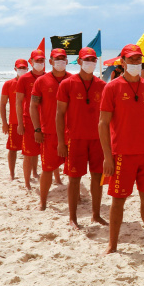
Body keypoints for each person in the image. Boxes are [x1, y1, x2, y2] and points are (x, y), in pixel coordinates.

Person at [99, 44, 144, 255]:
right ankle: (112, 244)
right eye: (132, 60)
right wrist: (107, 157)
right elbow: (103, 123)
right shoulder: (112, 88)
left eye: (138, 60)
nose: (136, 63)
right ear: (123, 62)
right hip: (122, 154)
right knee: (118, 199)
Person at [55, 47, 106, 228]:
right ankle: (73, 218)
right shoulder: (67, 84)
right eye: (87, 59)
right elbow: (59, 114)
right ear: (79, 61)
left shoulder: (102, 85)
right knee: (74, 178)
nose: (90, 63)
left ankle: (96, 214)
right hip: (75, 138)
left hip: (97, 140)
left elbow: (108, 117)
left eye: (93, 60)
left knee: (97, 177)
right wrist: (61, 141)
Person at [30, 48, 71, 210]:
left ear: (67, 61)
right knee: (47, 169)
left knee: (74, 171)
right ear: (51, 61)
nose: (60, 61)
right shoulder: (41, 81)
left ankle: (76, 197)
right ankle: (43, 200)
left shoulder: (73, 80)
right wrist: (37, 129)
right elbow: (33, 106)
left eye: (63, 58)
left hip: (70, 133)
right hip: (49, 132)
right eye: (57, 58)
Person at [15, 50, 46, 190]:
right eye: (37, 61)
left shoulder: (48, 77)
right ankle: (27, 183)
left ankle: (55, 180)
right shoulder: (24, 79)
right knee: (29, 154)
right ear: (31, 62)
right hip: (29, 122)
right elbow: (18, 102)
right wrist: (20, 123)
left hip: (47, 121)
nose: (39, 63)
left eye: (41, 60)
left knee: (48, 153)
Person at [0, 59, 28, 180]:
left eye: (24, 68)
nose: (22, 70)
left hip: (30, 122)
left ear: (28, 69)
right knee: (13, 149)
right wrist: (4, 123)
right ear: (15, 69)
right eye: (20, 68)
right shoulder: (8, 84)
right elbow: (2, 104)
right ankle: (12, 174)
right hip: (14, 122)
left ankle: (32, 173)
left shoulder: (32, 82)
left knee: (31, 151)